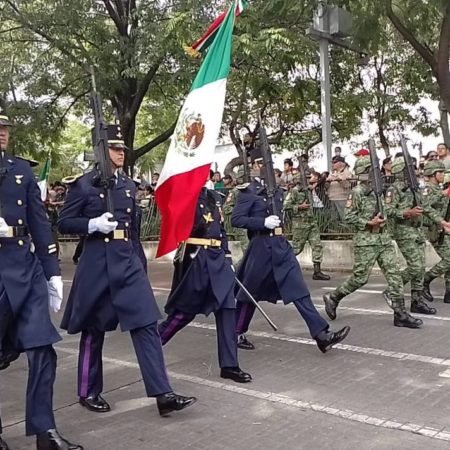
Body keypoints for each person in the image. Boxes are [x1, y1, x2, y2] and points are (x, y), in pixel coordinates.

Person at [58, 124, 196, 417]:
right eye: (115, 148)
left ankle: (163, 393)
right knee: (94, 328)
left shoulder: (129, 185)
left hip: (127, 261)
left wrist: (140, 265)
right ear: (101, 150)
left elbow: (132, 232)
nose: (121, 153)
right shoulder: (83, 185)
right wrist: (92, 225)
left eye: (122, 149)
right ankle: (88, 390)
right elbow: (64, 222)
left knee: (146, 323)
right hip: (98, 262)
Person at [0, 108, 82, 449]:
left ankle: (44, 431)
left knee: (43, 349)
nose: (2, 132)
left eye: (4, 127)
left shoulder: (21, 170)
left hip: (24, 265)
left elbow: (39, 221)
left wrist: (52, 273)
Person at [231, 150, 350, 352]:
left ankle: (321, 335)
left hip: (279, 245)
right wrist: (261, 222)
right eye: (261, 163)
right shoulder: (248, 192)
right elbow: (237, 219)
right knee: (249, 293)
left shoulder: (277, 191)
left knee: (298, 289)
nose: (266, 167)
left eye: (267, 163)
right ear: (254, 167)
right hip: (260, 247)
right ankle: (235, 332)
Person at [158, 185, 252, 383]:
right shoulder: (182, 194)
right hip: (196, 258)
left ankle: (229, 365)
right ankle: (152, 344)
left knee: (227, 308)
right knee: (185, 311)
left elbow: (221, 229)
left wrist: (227, 255)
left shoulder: (212, 196)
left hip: (217, 258)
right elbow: (177, 226)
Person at [323, 156, 422, 328]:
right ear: (364, 173)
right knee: (360, 279)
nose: (377, 173)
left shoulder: (381, 191)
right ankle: (334, 297)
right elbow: (348, 216)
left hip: (384, 240)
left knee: (395, 276)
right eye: (372, 170)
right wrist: (369, 223)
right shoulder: (358, 193)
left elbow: (390, 210)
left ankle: (400, 314)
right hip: (366, 242)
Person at [387, 157, 450, 313]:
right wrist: (406, 212)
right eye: (409, 169)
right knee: (416, 267)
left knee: (420, 268)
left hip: (417, 231)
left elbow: (426, 207)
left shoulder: (413, 189)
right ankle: (392, 290)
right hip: (404, 230)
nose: (413, 172)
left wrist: (442, 222)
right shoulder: (394, 189)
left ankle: (417, 301)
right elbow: (387, 210)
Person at [283, 171, 330, 280]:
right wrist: (299, 206)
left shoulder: (308, 190)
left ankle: (317, 271)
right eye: (307, 177)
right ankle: (282, 266)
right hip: (300, 224)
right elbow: (285, 206)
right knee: (296, 248)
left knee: (317, 245)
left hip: (311, 222)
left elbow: (321, 179)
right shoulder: (294, 191)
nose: (309, 179)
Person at [421, 160, 450, 303]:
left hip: (443, 229)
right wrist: (444, 194)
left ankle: (449, 292)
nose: (443, 175)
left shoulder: (439, 188)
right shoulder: (428, 189)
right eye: (441, 172)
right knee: (449, 259)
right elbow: (425, 205)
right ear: (433, 174)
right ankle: (425, 280)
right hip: (433, 230)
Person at [327, 155, 353, 220]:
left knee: (345, 218)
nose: (333, 164)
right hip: (332, 198)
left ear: (341, 163)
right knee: (334, 219)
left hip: (342, 198)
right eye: (332, 162)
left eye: (335, 162)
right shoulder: (332, 172)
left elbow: (347, 185)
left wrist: (339, 180)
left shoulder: (347, 172)